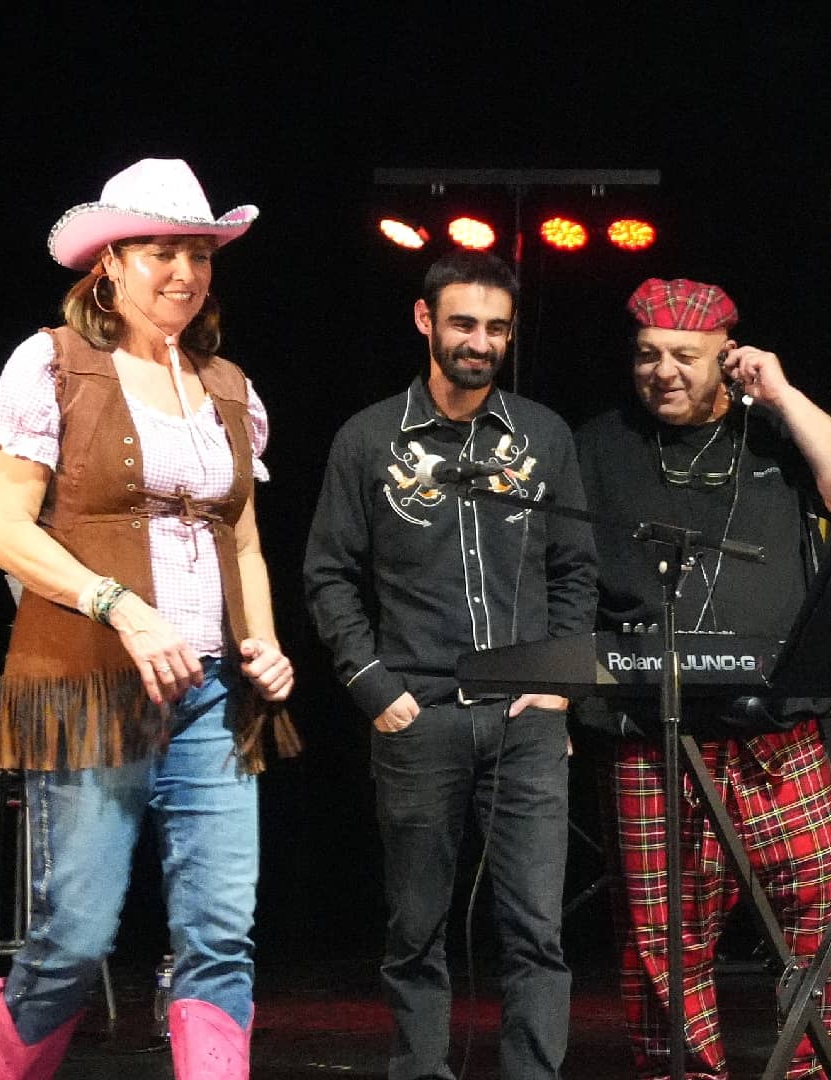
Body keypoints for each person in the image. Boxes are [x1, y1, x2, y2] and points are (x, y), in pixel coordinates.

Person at [0, 158, 296, 1078]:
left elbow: (243, 545)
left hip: (210, 696)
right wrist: (120, 606)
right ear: (109, 263)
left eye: (198, 252)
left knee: (221, 937)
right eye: (161, 251)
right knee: (73, 937)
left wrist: (264, 645)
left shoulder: (227, 387)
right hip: (89, 684)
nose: (184, 272)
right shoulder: (53, 363)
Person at [574, 277, 831, 1079]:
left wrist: (782, 396)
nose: (664, 372)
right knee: (662, 945)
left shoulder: (774, 433)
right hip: (651, 734)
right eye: (647, 355)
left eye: (686, 356)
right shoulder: (599, 445)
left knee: (826, 929)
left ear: (728, 356)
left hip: (776, 730)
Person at [303, 251, 595, 1080]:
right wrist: (375, 690)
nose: (480, 340)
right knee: (416, 928)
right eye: (464, 323)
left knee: (536, 929)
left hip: (527, 720)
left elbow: (575, 570)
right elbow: (328, 571)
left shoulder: (542, 434)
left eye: (496, 327)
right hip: (419, 714)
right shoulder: (369, 437)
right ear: (425, 321)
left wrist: (560, 686)